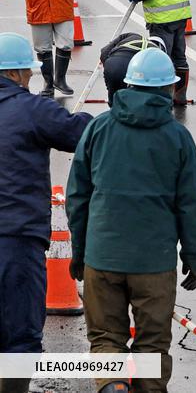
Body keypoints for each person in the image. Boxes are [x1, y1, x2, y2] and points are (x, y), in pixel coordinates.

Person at [67, 48, 196, 393]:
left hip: (102, 258)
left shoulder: (99, 128)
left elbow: (77, 197)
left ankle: (114, 384)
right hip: (153, 264)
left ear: (128, 85)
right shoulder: (177, 138)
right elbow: (193, 204)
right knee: (152, 346)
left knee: (105, 338)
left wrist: (80, 252)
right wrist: (192, 256)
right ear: (169, 89)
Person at [0, 32, 92, 393]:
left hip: (17, 235)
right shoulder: (32, 110)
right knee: (19, 332)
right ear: (20, 72)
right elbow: (82, 133)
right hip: (17, 240)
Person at [100, 33, 167, 106]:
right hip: (132, 72)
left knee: (115, 103)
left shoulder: (131, 36)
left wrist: (109, 66)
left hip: (113, 63)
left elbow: (104, 52)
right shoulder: (158, 55)